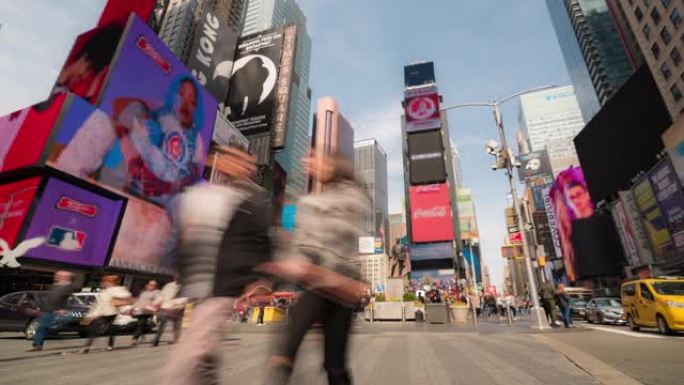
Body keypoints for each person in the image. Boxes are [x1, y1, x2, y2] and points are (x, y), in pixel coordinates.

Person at [161, 145, 274, 385]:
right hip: (193, 289)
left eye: (248, 162)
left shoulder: (252, 200)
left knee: (182, 365)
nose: (246, 166)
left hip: (222, 288)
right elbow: (181, 239)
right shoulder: (197, 196)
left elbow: (261, 243)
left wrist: (259, 281)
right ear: (217, 160)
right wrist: (178, 275)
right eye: (238, 159)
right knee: (203, 362)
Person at [263, 150, 371, 385]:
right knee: (287, 352)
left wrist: (302, 260)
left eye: (314, 159)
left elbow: (334, 239)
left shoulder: (348, 197)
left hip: (336, 285)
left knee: (334, 364)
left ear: (332, 164)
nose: (307, 164)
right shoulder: (311, 201)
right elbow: (301, 245)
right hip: (321, 285)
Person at [73, 275, 132, 354]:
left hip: (111, 312)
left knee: (104, 328)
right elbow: (98, 305)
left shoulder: (118, 289)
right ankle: (89, 347)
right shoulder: (104, 291)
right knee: (99, 328)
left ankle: (105, 346)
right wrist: (90, 315)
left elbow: (126, 296)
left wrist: (117, 299)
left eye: (105, 281)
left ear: (110, 282)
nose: (103, 283)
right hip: (103, 312)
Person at [28, 271, 75, 352]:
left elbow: (67, 300)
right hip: (48, 310)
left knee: (45, 327)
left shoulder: (68, 287)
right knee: (42, 327)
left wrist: (62, 309)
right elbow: (51, 298)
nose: (56, 276)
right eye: (56, 275)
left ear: (65, 278)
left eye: (59, 276)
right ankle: (37, 345)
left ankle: (38, 344)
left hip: (56, 311)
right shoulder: (56, 286)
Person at [152, 275, 184, 347]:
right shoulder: (168, 285)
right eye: (176, 277)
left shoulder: (184, 287)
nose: (178, 278)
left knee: (176, 325)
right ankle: (156, 340)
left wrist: (179, 306)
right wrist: (157, 303)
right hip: (166, 307)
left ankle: (176, 339)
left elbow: (185, 298)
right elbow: (162, 295)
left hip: (178, 308)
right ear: (174, 278)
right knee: (162, 324)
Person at [131, 280, 160, 346]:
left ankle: (135, 338)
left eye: (153, 285)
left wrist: (155, 308)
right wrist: (132, 307)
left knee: (141, 323)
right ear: (148, 285)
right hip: (140, 310)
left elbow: (158, 301)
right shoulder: (144, 293)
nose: (151, 286)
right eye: (150, 284)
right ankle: (142, 335)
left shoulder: (156, 293)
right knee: (140, 324)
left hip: (148, 311)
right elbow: (138, 301)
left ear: (155, 286)